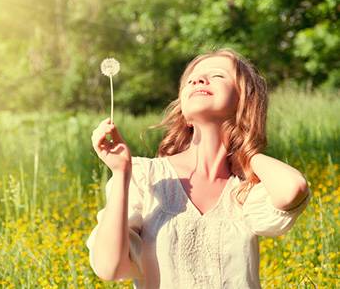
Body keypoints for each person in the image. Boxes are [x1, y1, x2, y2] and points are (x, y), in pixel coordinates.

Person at [86, 48, 311, 288]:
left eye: (217, 75)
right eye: (192, 78)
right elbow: (109, 267)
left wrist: (246, 154)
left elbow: (293, 189)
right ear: (183, 110)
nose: (198, 79)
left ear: (244, 100)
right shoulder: (145, 177)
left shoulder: (246, 191)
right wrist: (121, 173)